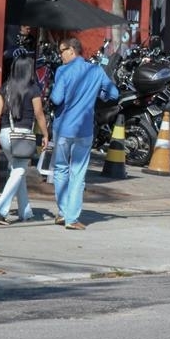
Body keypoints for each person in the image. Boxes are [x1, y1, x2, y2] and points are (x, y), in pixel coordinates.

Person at [48, 37, 119, 230]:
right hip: (85, 130)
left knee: (61, 169)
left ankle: (63, 212)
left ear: (72, 50)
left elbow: (56, 98)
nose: (60, 54)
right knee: (78, 173)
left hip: (62, 128)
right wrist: (98, 95)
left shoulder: (63, 71)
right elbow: (113, 94)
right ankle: (72, 217)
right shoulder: (96, 71)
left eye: (62, 51)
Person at [0, 53, 50, 225]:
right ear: (29, 70)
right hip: (23, 137)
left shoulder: (4, 88)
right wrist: (46, 134)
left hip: (5, 135)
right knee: (19, 171)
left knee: (18, 171)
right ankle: (1, 211)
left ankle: (25, 212)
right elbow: (39, 114)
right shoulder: (33, 89)